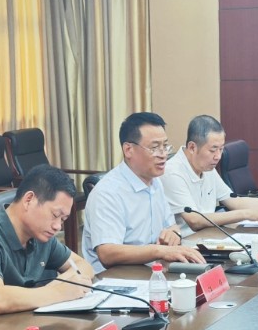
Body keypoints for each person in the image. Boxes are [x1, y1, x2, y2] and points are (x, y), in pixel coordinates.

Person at [0, 165, 97, 330]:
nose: (58, 226)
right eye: (55, 215)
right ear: (29, 200)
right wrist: (60, 292)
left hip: (19, 328)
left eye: (63, 219)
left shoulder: (41, 235)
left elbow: (83, 266)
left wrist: (62, 284)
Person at [80, 112, 204, 273]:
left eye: (165, 146)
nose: (163, 154)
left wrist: (174, 233)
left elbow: (171, 226)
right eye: (154, 148)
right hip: (115, 278)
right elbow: (107, 253)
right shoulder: (107, 193)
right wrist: (159, 251)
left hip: (153, 270)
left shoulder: (155, 181)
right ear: (128, 150)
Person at [163, 114, 258, 234]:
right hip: (187, 241)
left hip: (210, 236)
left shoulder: (206, 167)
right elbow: (195, 220)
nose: (218, 156)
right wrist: (246, 214)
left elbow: (235, 202)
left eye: (221, 149)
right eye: (213, 150)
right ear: (192, 147)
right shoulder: (172, 172)